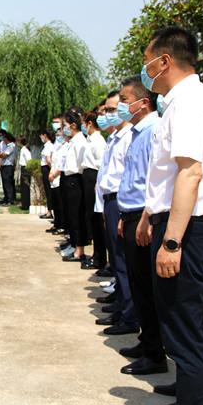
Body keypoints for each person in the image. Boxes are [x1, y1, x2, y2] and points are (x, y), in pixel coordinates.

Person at [142, 27, 203, 405]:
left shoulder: (189, 103)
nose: (146, 70)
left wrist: (172, 241)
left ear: (164, 61)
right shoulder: (196, 99)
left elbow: (190, 173)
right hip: (195, 227)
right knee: (201, 336)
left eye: (148, 62)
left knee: (187, 342)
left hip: (188, 231)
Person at [112, 76, 168, 377]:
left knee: (146, 287)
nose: (120, 106)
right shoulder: (138, 133)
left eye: (124, 99)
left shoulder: (152, 132)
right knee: (138, 284)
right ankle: (147, 342)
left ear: (143, 103)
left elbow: (154, 182)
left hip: (144, 219)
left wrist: (144, 218)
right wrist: (125, 216)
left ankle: (155, 353)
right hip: (132, 215)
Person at [93, 90, 140, 343]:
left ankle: (129, 316)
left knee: (123, 261)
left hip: (120, 203)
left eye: (113, 109)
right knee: (117, 258)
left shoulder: (130, 137)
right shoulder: (115, 138)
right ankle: (122, 306)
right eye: (108, 110)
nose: (110, 114)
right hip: (110, 201)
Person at [80, 110, 107, 270]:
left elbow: (102, 162)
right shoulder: (90, 140)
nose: (83, 126)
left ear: (89, 124)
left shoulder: (98, 140)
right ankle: (96, 255)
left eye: (84, 123)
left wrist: (97, 181)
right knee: (90, 216)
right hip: (88, 176)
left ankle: (99, 257)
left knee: (96, 219)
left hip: (93, 176)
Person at [60, 111, 88, 262]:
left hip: (75, 180)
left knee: (77, 216)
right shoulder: (72, 141)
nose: (63, 129)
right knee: (70, 215)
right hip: (68, 179)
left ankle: (79, 249)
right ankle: (73, 244)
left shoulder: (80, 141)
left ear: (73, 125)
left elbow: (81, 163)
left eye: (65, 125)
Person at [39, 130, 55, 219]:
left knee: (49, 190)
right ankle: (49, 210)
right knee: (48, 190)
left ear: (45, 135)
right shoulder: (48, 145)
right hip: (45, 168)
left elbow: (48, 160)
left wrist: (52, 169)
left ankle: (50, 211)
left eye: (41, 136)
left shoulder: (49, 146)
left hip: (46, 168)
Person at [0, 132, 16, 206]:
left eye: (4, 138)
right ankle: (6, 198)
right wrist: (1, 155)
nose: (3, 140)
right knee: (5, 184)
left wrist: (1, 155)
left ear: (7, 139)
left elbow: (4, 155)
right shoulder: (6, 146)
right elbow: (1, 154)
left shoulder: (11, 146)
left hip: (8, 167)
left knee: (8, 184)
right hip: (4, 166)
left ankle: (10, 200)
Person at [18, 136, 32, 210]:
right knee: (23, 187)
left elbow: (29, 160)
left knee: (25, 187)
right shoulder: (23, 149)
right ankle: (24, 203)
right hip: (23, 168)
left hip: (25, 168)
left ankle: (26, 204)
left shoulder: (25, 150)